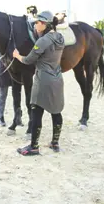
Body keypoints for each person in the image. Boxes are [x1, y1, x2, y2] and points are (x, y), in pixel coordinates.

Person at [12, 11, 65, 156]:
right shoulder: (60, 37)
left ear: (44, 24)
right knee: (56, 111)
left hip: (43, 80)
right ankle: (55, 143)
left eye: (37, 22)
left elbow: (28, 60)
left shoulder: (42, 41)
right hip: (57, 78)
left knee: (36, 112)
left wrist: (17, 56)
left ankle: (34, 146)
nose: (35, 25)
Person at [0, 49, 23, 127]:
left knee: (17, 96)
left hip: (15, 69)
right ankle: (1, 117)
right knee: (3, 95)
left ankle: (18, 118)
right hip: (3, 68)